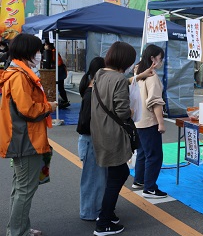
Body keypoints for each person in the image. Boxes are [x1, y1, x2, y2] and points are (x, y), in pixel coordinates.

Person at [0, 33, 58, 236]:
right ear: (27, 52)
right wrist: (49, 106)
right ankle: (17, 231)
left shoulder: (16, 73)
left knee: (20, 189)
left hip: (22, 138)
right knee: (24, 190)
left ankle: (20, 228)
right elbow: (28, 109)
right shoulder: (19, 76)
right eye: (37, 51)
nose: (39, 55)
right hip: (26, 139)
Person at [90, 41, 137, 235]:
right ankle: (104, 221)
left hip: (99, 130)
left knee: (114, 173)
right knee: (119, 174)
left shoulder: (99, 74)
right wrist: (132, 110)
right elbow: (122, 111)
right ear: (124, 60)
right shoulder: (118, 78)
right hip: (113, 133)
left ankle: (107, 214)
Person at [132, 44, 168, 199]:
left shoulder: (138, 72)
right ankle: (150, 188)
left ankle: (139, 181)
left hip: (137, 120)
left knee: (143, 152)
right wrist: (161, 122)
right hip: (148, 121)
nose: (161, 62)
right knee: (154, 155)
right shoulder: (152, 76)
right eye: (160, 58)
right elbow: (155, 102)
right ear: (152, 58)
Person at [77, 57, 108, 221]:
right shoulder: (91, 94)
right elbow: (84, 123)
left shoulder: (90, 87)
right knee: (92, 179)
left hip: (89, 140)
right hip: (90, 141)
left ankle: (95, 209)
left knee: (97, 178)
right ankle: (89, 212)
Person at [43, 42, 70, 108]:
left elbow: (58, 63)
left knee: (60, 87)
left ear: (49, 45)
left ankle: (65, 100)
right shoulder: (50, 52)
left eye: (46, 45)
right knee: (59, 87)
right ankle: (64, 100)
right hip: (58, 72)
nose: (45, 46)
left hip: (59, 72)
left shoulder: (53, 52)